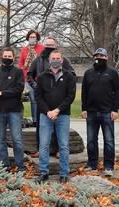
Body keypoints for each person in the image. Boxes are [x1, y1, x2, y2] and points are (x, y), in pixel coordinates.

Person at [27, 37, 76, 158]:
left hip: (59, 98)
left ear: (55, 46)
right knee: (41, 125)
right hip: (43, 99)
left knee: (59, 128)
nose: (49, 47)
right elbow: (30, 74)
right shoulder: (38, 59)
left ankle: (58, 149)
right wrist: (35, 85)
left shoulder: (63, 60)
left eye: (52, 45)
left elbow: (72, 74)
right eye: (47, 45)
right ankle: (41, 149)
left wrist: (64, 84)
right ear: (44, 45)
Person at [34, 50, 76, 183]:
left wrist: (57, 110)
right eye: (53, 58)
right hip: (46, 116)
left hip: (62, 115)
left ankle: (64, 173)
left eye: (58, 58)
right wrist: (48, 111)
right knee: (44, 145)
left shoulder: (69, 76)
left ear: (62, 60)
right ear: (49, 60)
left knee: (63, 145)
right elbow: (38, 96)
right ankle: (43, 172)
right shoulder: (42, 77)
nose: (56, 60)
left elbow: (70, 96)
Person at [81, 48, 119, 177]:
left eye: (102, 56)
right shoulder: (88, 73)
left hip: (107, 112)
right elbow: (84, 92)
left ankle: (108, 166)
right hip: (91, 111)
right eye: (97, 55)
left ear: (107, 58)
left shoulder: (113, 73)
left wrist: (115, 109)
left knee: (109, 140)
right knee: (91, 140)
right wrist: (84, 108)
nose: (99, 58)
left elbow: (117, 92)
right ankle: (92, 164)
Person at [0, 47, 25, 172]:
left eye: (9, 57)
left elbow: (19, 89)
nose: (7, 58)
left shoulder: (18, 72)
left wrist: (2, 93)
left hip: (14, 110)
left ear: (13, 58)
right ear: (1, 57)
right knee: (0, 140)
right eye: (5, 56)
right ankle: (4, 166)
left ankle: (20, 166)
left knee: (17, 140)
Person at [18, 29, 44, 126]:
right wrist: (22, 70)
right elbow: (21, 63)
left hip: (38, 78)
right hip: (26, 78)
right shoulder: (24, 50)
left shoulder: (42, 49)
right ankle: (33, 120)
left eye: (34, 37)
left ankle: (36, 120)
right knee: (30, 99)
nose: (32, 38)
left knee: (36, 100)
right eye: (31, 37)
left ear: (37, 38)